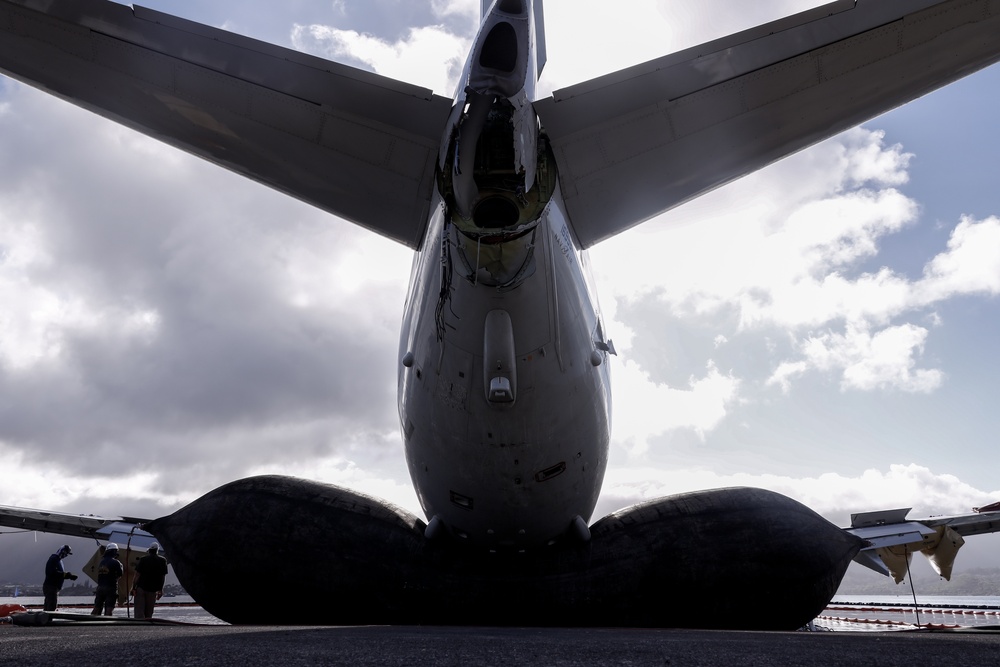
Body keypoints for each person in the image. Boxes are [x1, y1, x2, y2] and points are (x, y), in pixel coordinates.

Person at [131, 542, 169, 619]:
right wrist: (160, 590)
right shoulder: (162, 560)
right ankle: (147, 627)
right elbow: (162, 577)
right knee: (149, 612)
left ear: (149, 550)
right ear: (157, 550)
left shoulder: (143, 559)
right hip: (152, 590)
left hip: (141, 588)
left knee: (139, 611)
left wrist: (133, 588)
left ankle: (139, 626)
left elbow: (137, 575)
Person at [91, 543, 124, 616]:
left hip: (100, 587)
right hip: (111, 587)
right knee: (109, 608)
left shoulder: (101, 562)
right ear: (114, 552)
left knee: (97, 607)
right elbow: (120, 574)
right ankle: (107, 624)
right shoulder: (116, 562)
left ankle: (90, 621)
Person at [42, 544, 78, 611]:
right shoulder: (54, 559)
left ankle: (46, 619)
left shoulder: (59, 560)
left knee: (49, 606)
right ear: (62, 551)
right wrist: (66, 575)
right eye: (66, 553)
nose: (66, 555)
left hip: (53, 587)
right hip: (51, 587)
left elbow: (58, 573)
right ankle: (48, 620)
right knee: (51, 608)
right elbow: (52, 572)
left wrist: (68, 576)